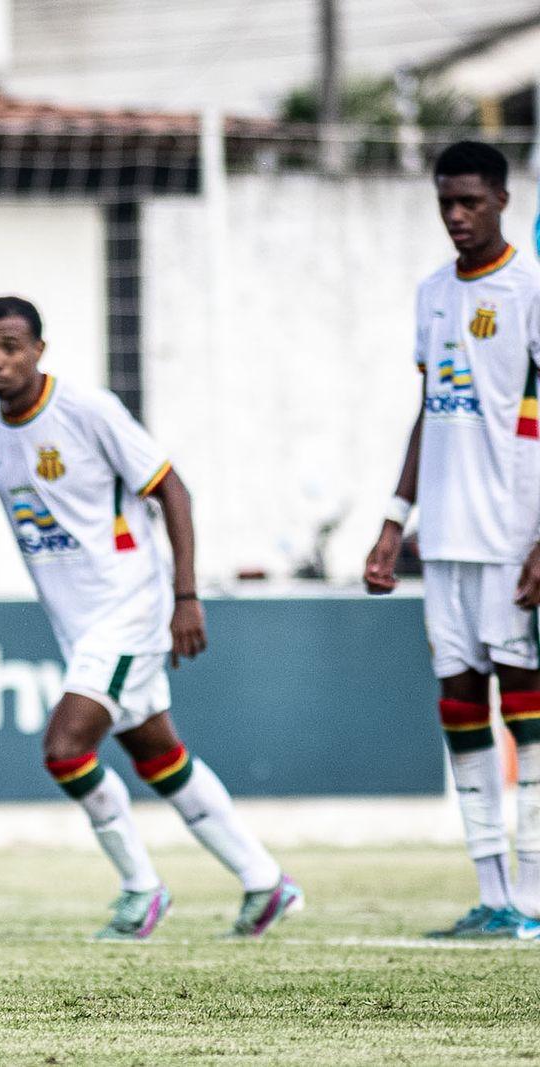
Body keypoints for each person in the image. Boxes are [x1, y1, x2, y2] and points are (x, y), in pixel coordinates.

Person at [0, 296, 302, 940]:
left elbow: (171, 488)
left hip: (131, 609)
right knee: (160, 756)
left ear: (39, 349)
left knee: (65, 749)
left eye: (10, 346)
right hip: (81, 623)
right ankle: (265, 882)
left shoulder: (87, 411)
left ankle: (140, 889)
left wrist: (185, 596)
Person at [364, 141, 540, 940]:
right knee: (461, 707)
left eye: (470, 201)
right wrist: (394, 519)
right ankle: (494, 894)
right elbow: (430, 411)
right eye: (446, 203)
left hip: (513, 534)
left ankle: (533, 898)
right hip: (445, 537)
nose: (457, 216)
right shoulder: (433, 292)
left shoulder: (529, 289)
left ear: (503, 198)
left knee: (526, 710)